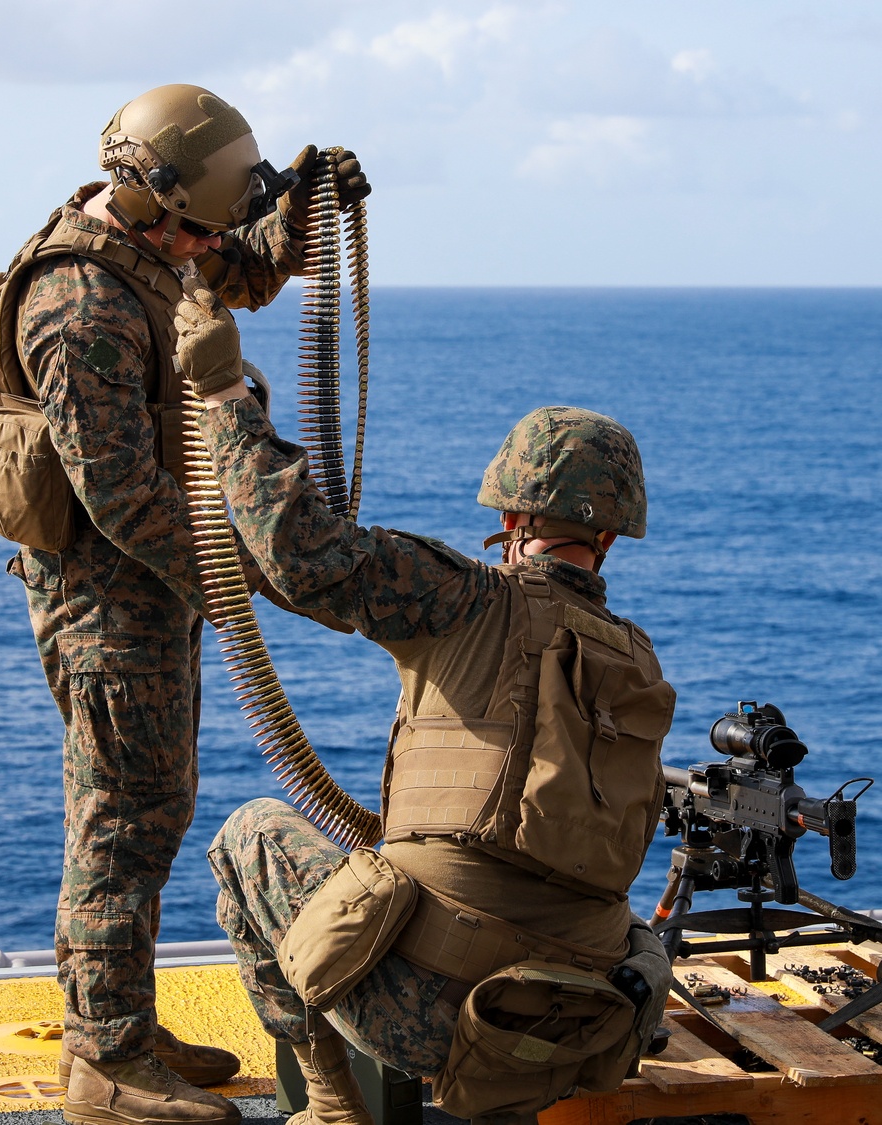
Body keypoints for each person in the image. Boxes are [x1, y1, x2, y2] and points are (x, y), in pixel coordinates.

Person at [0, 84, 368, 1125]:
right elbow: (120, 494)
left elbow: (240, 266)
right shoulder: (79, 301)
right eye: (193, 225)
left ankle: (118, 1022)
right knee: (123, 817)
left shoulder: (150, 244)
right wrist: (255, 573)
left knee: (147, 805)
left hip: (151, 588)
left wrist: (301, 211)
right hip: (107, 597)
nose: (202, 247)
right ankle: (104, 1063)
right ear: (146, 195)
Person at [175, 296, 675, 1125]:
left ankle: (334, 1105)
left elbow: (299, 550)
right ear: (611, 540)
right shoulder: (639, 659)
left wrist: (226, 394)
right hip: (576, 1024)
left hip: (423, 1011)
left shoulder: (463, 595)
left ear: (511, 518)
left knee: (247, 835)